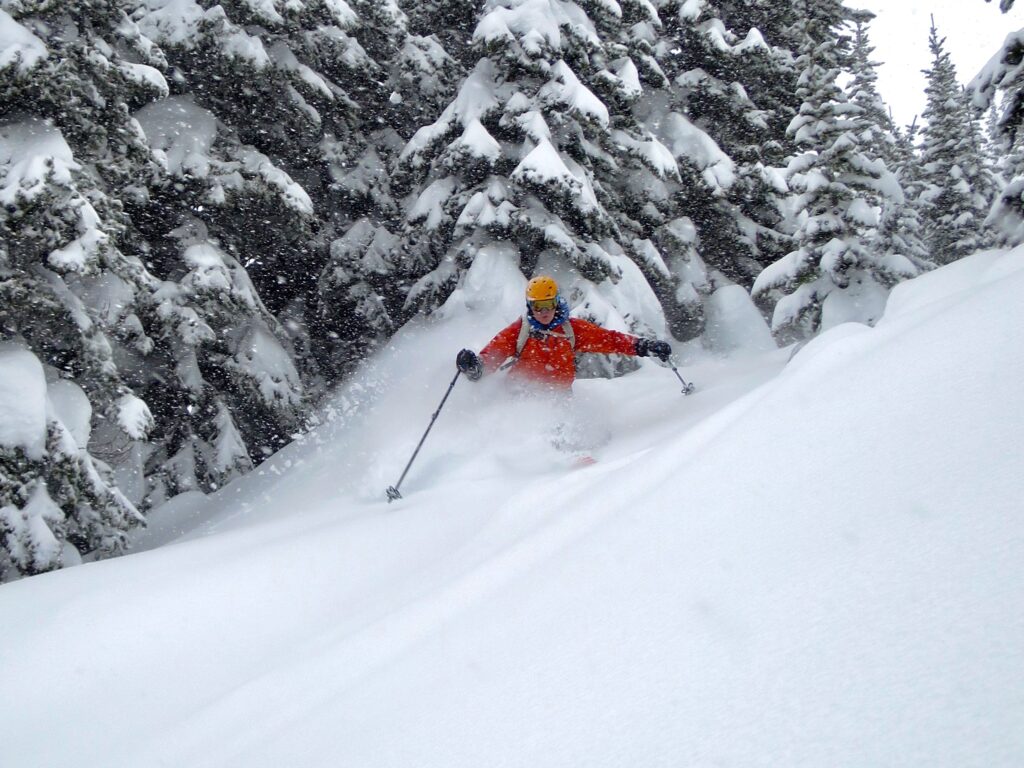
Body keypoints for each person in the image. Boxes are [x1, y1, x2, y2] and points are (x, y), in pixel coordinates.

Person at [456, 275, 672, 391]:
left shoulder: (572, 329)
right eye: (537, 306)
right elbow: (491, 359)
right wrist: (473, 367)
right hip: (518, 394)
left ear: (557, 302)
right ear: (529, 306)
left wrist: (645, 346)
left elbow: (610, 340)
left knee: (561, 425)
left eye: (548, 304)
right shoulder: (520, 331)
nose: (543, 312)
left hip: (559, 396)